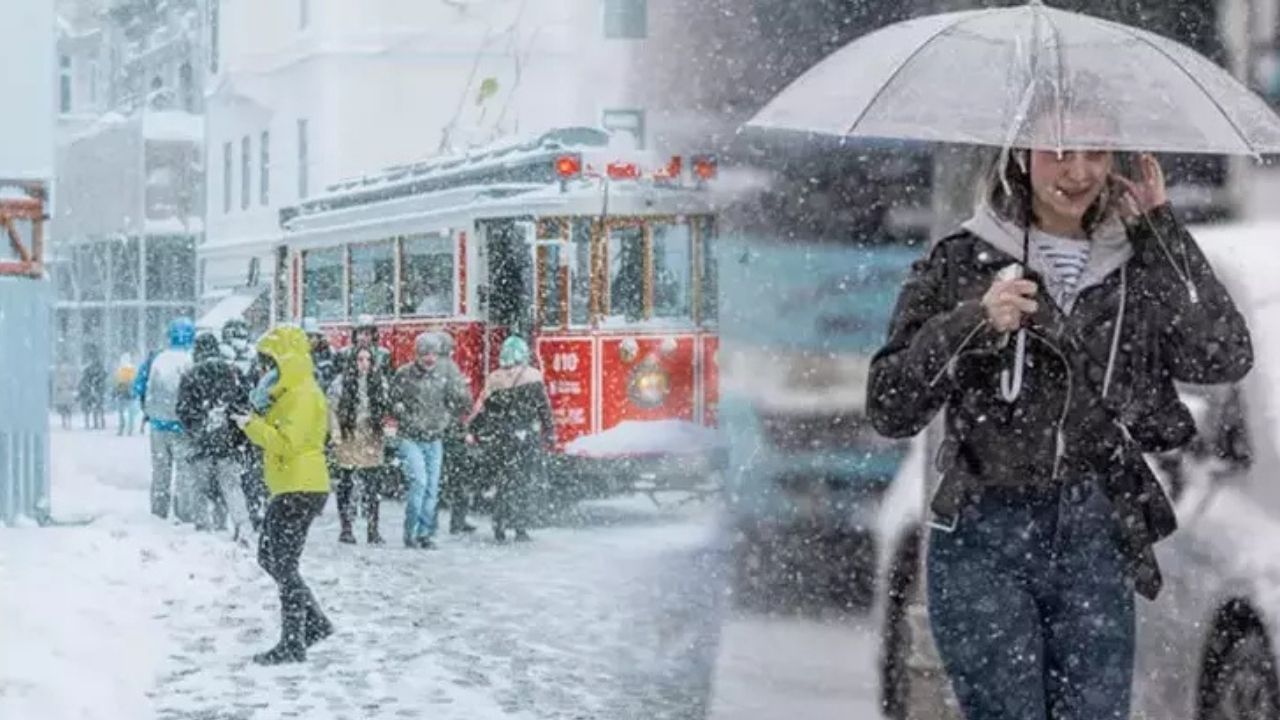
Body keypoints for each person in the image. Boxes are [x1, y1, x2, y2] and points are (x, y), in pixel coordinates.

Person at [867, 135, 1252, 719]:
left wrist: (1160, 227)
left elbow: (1223, 355)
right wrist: (976, 322)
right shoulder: (963, 259)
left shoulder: (1137, 263)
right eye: (1059, 152)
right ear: (1021, 155)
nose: (1078, 172)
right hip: (983, 532)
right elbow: (890, 404)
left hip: (1094, 532)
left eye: (1095, 153)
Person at [231, 325, 333, 665]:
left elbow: (288, 443)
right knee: (269, 556)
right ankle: (314, 623)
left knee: (284, 564)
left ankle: (293, 642)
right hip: (291, 485)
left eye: (269, 361)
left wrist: (251, 425)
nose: (264, 368)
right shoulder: (288, 391)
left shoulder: (303, 394)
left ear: (285, 360)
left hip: (301, 486)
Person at [390, 331, 472, 549]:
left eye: (434, 354)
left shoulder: (444, 375)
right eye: (425, 354)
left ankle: (424, 534)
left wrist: (452, 410)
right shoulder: (404, 374)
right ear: (417, 354)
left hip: (435, 438)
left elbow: (461, 402)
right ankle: (410, 532)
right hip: (410, 438)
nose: (430, 358)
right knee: (419, 483)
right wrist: (407, 417)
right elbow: (393, 403)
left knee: (432, 489)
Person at [468, 336, 555, 542]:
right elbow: (543, 408)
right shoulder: (533, 377)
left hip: (501, 438)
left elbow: (484, 410)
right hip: (525, 437)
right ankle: (520, 527)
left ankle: (499, 525)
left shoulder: (495, 378)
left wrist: (472, 430)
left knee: (503, 483)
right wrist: (549, 432)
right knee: (522, 482)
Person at [177, 333, 253, 539]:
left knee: (200, 488)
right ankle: (238, 524)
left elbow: (183, 410)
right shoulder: (233, 372)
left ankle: (203, 528)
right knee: (231, 486)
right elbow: (244, 405)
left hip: (200, 442)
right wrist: (237, 435)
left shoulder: (190, 375)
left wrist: (196, 428)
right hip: (227, 442)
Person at [135, 318, 197, 521]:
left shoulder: (156, 359)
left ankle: (158, 511)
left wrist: (148, 408)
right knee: (185, 472)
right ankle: (185, 513)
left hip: (158, 425)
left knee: (161, 470)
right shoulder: (192, 359)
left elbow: (138, 386)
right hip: (184, 427)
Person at [327, 346, 390, 544]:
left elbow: (385, 408)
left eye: (368, 360)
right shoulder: (341, 382)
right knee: (346, 482)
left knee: (373, 484)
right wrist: (335, 433)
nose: (364, 364)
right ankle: (346, 527)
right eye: (360, 359)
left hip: (371, 436)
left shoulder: (379, 382)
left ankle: (373, 529)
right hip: (349, 435)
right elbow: (331, 409)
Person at [302, 316, 339, 390]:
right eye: (304, 337)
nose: (307, 340)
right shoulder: (297, 356)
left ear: (318, 337)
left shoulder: (329, 354)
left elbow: (335, 379)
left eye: (310, 336)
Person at [79, 348, 108, 430]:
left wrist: (96, 381)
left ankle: (98, 423)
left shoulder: (95, 368)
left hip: (96, 389)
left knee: (97, 406)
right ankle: (97, 423)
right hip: (93, 389)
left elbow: (104, 375)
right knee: (96, 406)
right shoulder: (92, 368)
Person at [113, 354, 139, 436]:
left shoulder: (120, 370)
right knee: (130, 414)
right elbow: (134, 382)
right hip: (129, 395)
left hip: (123, 394)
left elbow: (116, 383)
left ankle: (122, 429)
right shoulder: (132, 370)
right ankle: (130, 429)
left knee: (122, 413)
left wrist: (117, 391)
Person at [53, 361, 78, 430]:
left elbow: (71, 385)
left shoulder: (66, 377)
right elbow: (59, 387)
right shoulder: (61, 377)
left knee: (66, 409)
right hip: (64, 396)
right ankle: (65, 421)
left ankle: (67, 422)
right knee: (65, 409)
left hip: (66, 396)